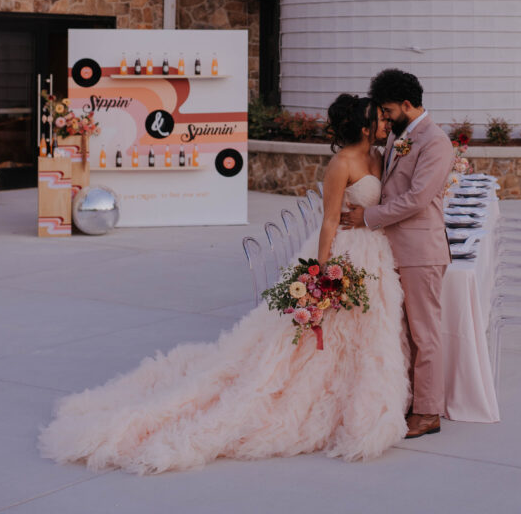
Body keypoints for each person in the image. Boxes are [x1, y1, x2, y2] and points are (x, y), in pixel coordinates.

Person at [38, 94, 409, 473]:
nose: (385, 124)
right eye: (380, 119)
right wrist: (320, 275)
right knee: (324, 338)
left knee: (370, 331)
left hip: (374, 252)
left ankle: (365, 397)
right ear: (364, 127)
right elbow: (329, 220)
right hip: (344, 252)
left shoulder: (380, 157)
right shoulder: (341, 163)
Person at [341, 68, 454, 439]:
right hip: (394, 248)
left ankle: (428, 412)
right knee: (402, 331)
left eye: (388, 110)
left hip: (421, 251)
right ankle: (408, 399)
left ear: (407, 104)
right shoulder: (401, 136)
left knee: (426, 334)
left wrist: (367, 217)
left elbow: (418, 199)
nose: (384, 118)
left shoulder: (435, 142)